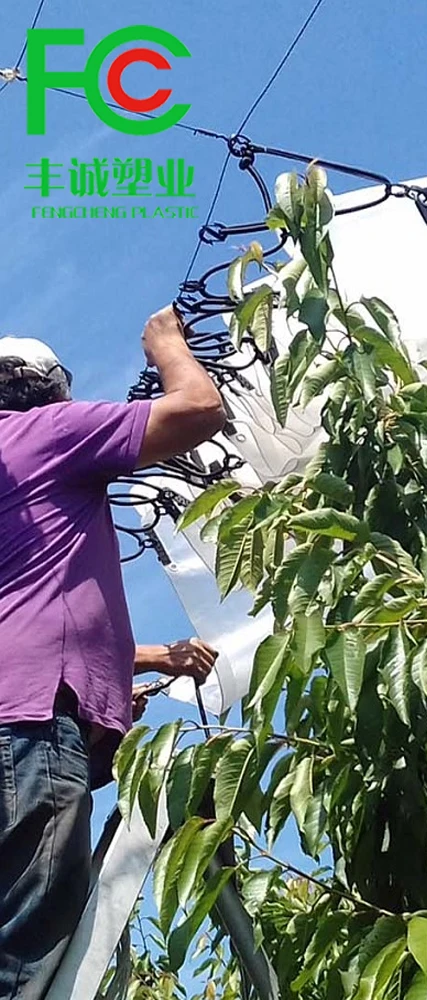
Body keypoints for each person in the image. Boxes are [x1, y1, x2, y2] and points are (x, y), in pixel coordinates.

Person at [0, 305, 227, 999]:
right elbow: (198, 409)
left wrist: (156, 658)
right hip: (31, 723)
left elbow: (35, 614)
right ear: (50, 387)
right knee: (28, 950)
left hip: (19, 711)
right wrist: (167, 347)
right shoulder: (47, 432)